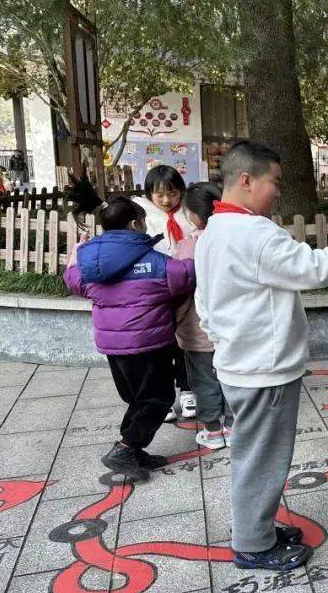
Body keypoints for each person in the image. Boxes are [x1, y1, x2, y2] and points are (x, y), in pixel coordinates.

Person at [195, 140, 328, 572]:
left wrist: (226, 342)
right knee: (262, 457)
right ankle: (253, 544)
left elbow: (205, 304)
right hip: (264, 369)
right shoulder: (253, 233)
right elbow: (318, 269)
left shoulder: (213, 231)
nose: (277, 191)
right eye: (273, 182)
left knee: (253, 452)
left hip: (241, 363)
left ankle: (256, 529)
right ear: (246, 180)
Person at [64, 197, 196, 481]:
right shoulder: (154, 262)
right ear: (136, 223)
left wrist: (74, 255)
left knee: (137, 399)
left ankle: (134, 453)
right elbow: (183, 279)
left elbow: (74, 281)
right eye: (144, 222)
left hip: (114, 347)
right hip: (149, 344)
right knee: (158, 399)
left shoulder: (89, 260)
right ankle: (126, 448)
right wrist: (189, 253)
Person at [133, 165, 198, 421]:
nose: (167, 200)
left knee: (187, 339)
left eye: (172, 193)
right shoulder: (142, 215)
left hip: (187, 286)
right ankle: (165, 397)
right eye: (159, 195)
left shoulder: (189, 212)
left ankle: (188, 389)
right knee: (161, 343)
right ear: (149, 194)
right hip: (157, 287)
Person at [174, 181, 233, 450]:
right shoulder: (232, 240)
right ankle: (233, 427)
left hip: (197, 328)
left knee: (203, 379)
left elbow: (177, 288)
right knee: (231, 378)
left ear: (194, 215)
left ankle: (212, 430)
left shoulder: (188, 246)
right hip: (232, 326)